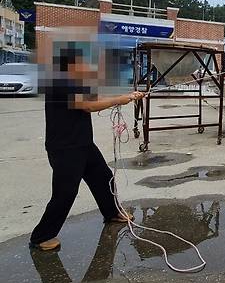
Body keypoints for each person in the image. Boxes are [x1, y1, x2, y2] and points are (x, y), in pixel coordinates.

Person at [30, 47, 144, 251]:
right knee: (65, 193)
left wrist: (128, 95)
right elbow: (88, 106)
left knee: (103, 177)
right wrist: (120, 100)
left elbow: (93, 99)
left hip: (83, 143)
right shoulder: (61, 82)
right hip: (65, 147)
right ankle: (41, 236)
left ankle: (112, 213)